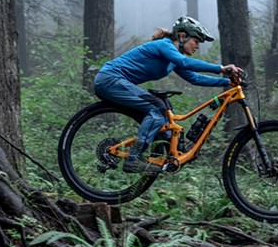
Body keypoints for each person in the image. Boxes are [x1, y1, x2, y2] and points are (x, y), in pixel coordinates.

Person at [94, 16, 242, 173]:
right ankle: (133, 159)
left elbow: (194, 78)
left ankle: (165, 158)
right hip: (110, 79)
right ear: (183, 36)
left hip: (116, 83)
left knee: (164, 120)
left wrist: (226, 82)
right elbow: (185, 63)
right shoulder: (165, 46)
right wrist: (220, 68)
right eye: (196, 41)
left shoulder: (172, 58)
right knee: (156, 110)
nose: (197, 46)